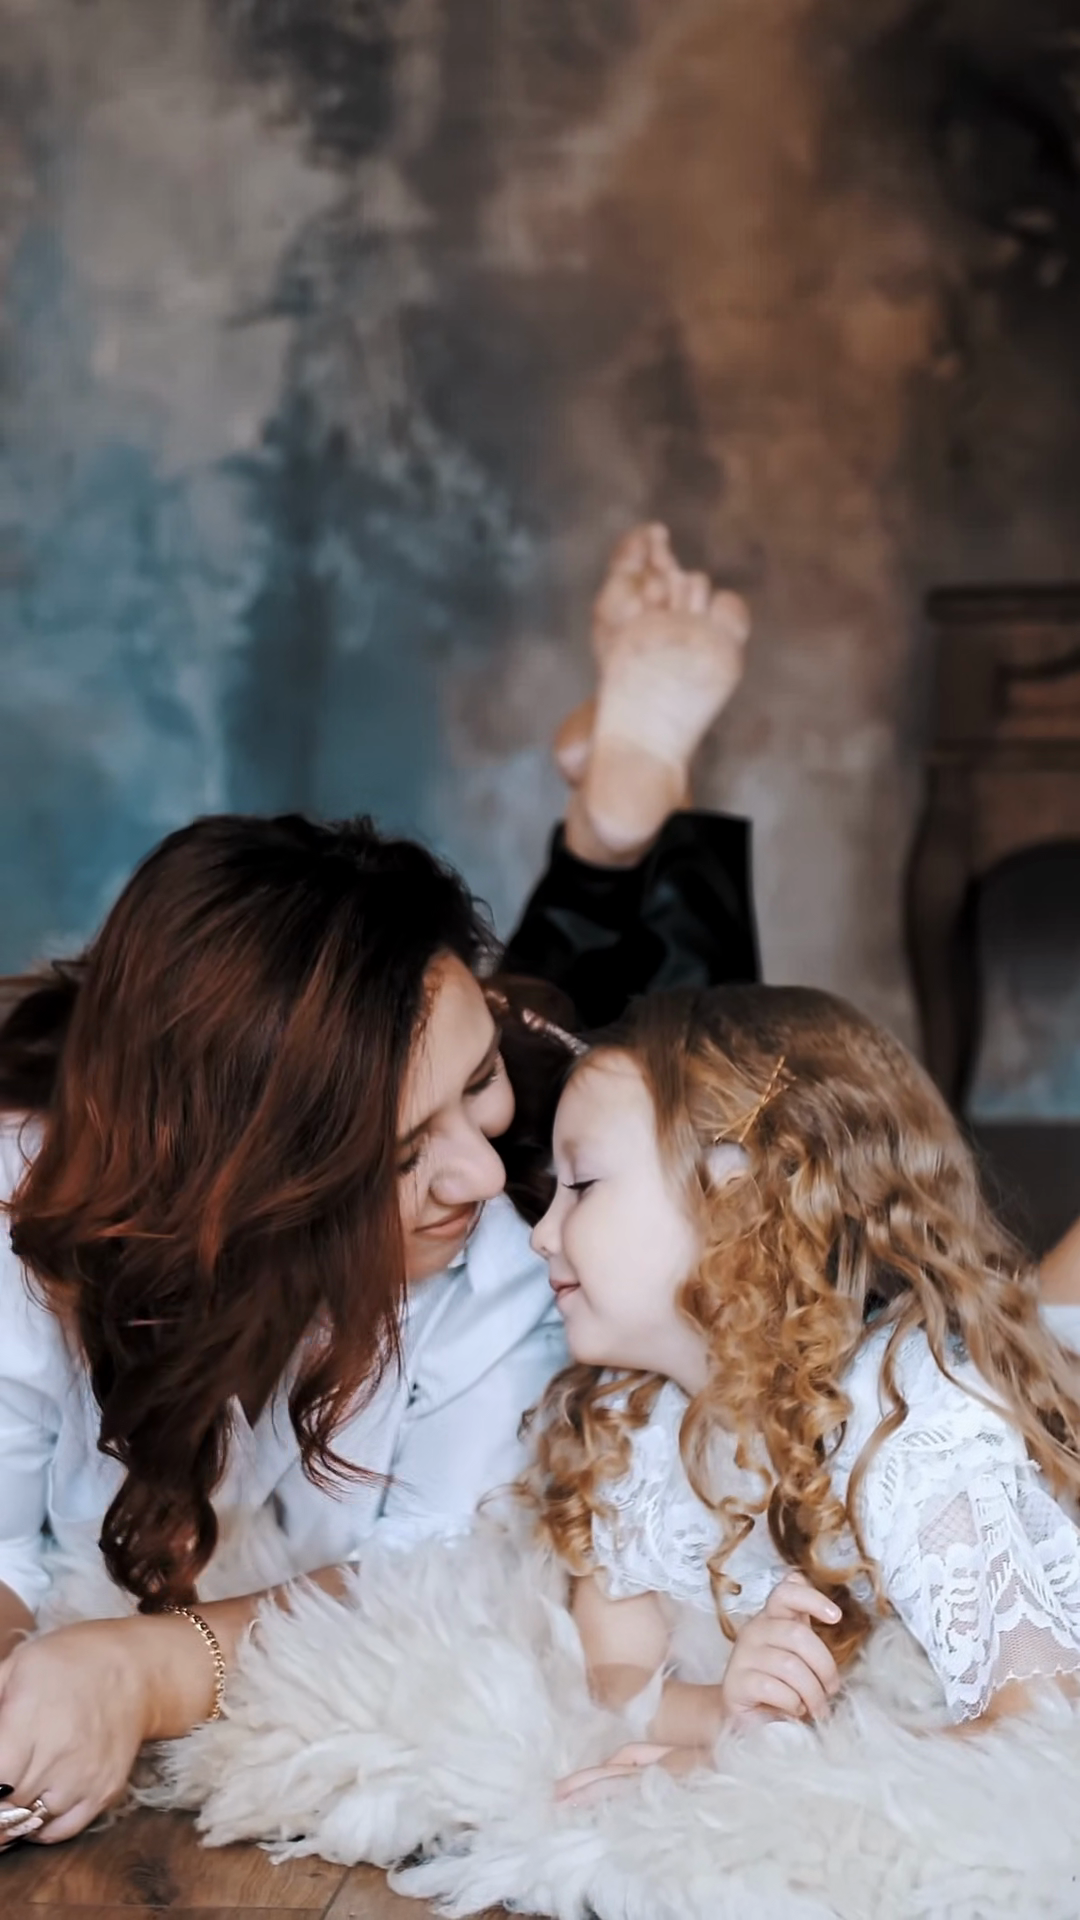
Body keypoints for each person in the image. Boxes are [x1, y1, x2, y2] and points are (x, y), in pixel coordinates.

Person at [0, 528, 758, 1847]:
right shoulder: (29, 1201)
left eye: (470, 1087)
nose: (473, 1174)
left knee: (703, 1116)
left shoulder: (515, 1242)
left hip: (542, 1091)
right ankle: (604, 836)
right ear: (237, 1190)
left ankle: (622, 810)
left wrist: (144, 1667)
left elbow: (433, 1576)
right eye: (397, 1161)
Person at [523, 984, 1080, 1799]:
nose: (539, 1233)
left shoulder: (910, 1421)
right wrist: (721, 1714)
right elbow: (615, 1672)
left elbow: (1041, 1728)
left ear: (735, 1199)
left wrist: (745, 1775)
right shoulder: (630, 1416)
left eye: (581, 1185)